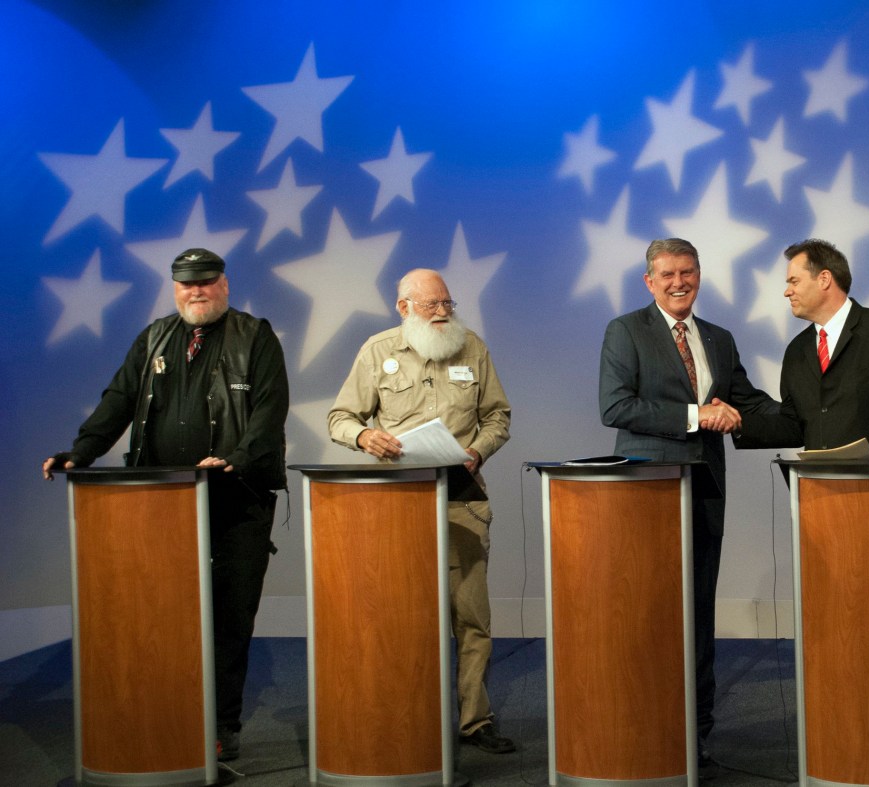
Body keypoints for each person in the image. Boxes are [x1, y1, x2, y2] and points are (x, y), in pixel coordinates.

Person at [43, 248, 289, 762]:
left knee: (229, 619)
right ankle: (167, 718)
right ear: (175, 289)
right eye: (186, 284)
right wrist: (82, 451)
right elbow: (117, 400)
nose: (196, 291)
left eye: (206, 281)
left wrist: (237, 458)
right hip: (161, 506)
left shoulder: (255, 336)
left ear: (224, 284)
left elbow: (269, 411)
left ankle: (221, 727)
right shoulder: (154, 337)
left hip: (236, 499)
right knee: (162, 618)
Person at [598, 238, 779, 775]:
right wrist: (696, 415)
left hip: (704, 491)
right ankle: (644, 729)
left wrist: (818, 421)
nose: (679, 283)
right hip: (647, 493)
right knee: (649, 613)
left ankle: (696, 735)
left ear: (699, 275)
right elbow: (616, 405)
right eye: (668, 274)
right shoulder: (626, 330)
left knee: (698, 615)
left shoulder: (719, 338)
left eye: (688, 272)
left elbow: (746, 402)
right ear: (649, 281)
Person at [327, 268, 515, 754]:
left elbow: (498, 416)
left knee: (471, 618)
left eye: (447, 303)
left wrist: (477, 450)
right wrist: (365, 436)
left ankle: (475, 721)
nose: (442, 313)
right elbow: (340, 418)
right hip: (398, 505)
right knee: (402, 617)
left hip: (461, 499)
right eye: (432, 304)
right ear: (404, 307)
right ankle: (408, 717)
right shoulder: (378, 351)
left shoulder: (472, 348)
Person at [734, 238, 869, 458]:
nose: (787, 292)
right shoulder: (796, 350)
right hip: (819, 479)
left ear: (824, 279)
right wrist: (737, 423)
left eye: (794, 282)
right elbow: (794, 426)